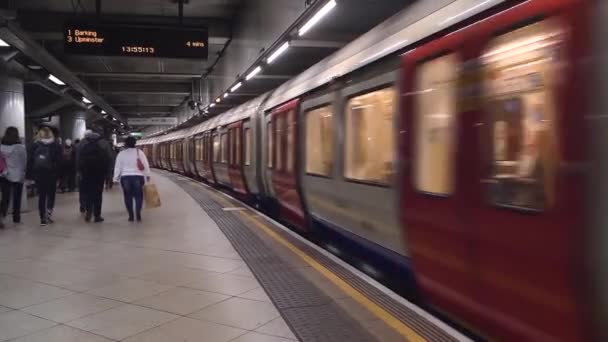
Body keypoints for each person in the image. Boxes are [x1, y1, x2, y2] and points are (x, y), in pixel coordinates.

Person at [26, 126, 62, 226]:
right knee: (51, 194)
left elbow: (30, 161)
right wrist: (59, 176)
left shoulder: (34, 145)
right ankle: (49, 213)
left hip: (39, 174)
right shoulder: (56, 145)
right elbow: (59, 162)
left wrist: (29, 176)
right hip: (52, 174)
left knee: (42, 196)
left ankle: (42, 218)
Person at [77, 129, 114, 223]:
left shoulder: (82, 143)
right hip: (99, 173)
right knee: (98, 194)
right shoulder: (104, 143)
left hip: (86, 173)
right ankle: (97, 216)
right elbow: (110, 159)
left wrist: (79, 172)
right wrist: (109, 175)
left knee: (88, 193)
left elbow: (77, 158)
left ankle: (88, 213)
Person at [113, 137, 150, 222]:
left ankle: (131, 215)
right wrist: (147, 175)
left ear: (125, 144)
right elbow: (145, 164)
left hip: (125, 177)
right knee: (139, 196)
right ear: (135, 143)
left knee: (127, 196)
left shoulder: (121, 154)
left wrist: (115, 179)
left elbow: (117, 167)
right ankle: (138, 213)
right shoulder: (139, 152)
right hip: (138, 176)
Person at [0, 127, 27, 228]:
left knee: (5, 198)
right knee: (17, 199)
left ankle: (1, 217)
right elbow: (24, 162)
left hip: (4, 175)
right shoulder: (20, 147)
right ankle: (16, 219)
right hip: (17, 176)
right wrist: (23, 173)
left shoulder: (1, 147)